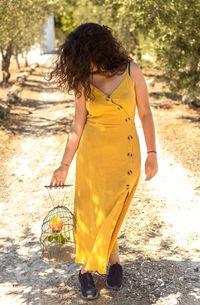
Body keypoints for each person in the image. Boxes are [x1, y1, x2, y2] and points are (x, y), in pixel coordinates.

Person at [49, 22, 158, 301]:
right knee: (94, 212)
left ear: (99, 49)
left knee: (113, 208)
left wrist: (152, 153)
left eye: (84, 55)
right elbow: (77, 126)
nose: (82, 63)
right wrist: (64, 165)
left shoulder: (131, 71)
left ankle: (88, 269)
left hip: (126, 155)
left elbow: (145, 114)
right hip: (92, 158)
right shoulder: (83, 80)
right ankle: (109, 263)